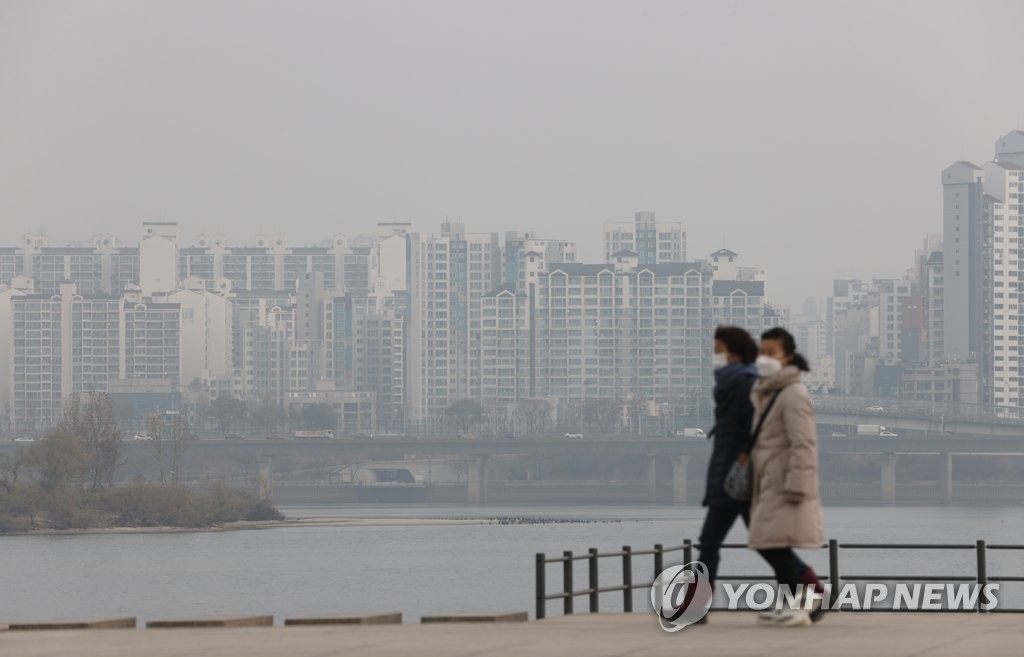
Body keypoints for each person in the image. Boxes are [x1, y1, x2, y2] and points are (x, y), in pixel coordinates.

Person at [747, 327, 826, 627]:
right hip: (770, 482)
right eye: (762, 352)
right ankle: (795, 601)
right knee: (771, 542)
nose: (765, 358)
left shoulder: (793, 394)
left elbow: (803, 444)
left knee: (771, 543)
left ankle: (802, 601)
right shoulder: (770, 393)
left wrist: (798, 486)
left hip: (786, 484)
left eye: (772, 353)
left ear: (788, 357)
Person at [696, 326, 760, 600]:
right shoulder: (727, 386)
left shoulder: (747, 383)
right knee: (708, 544)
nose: (715, 356)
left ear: (735, 351)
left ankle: (809, 588)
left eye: (719, 350)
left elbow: (757, 430)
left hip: (743, 480)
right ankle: (697, 602)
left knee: (770, 546)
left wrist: (745, 459)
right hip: (725, 479)